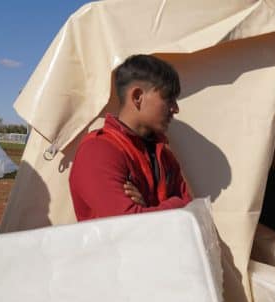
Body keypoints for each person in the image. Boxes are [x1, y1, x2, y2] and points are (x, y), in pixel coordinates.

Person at [69, 54, 191, 221]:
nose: (175, 109)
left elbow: (192, 208)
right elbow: (128, 227)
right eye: (169, 99)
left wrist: (145, 208)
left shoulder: (164, 153)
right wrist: (177, 204)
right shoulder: (98, 151)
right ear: (137, 97)